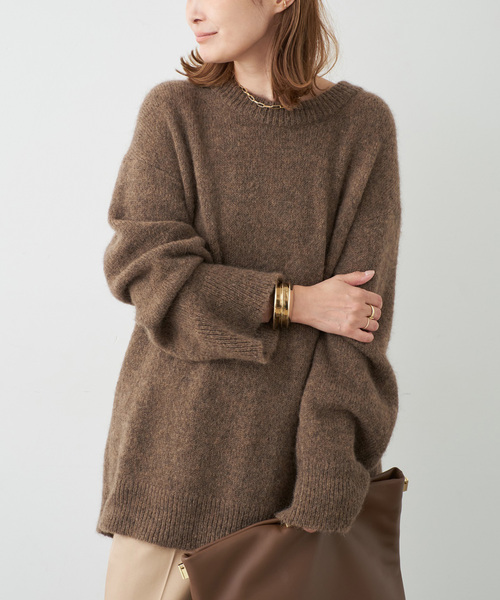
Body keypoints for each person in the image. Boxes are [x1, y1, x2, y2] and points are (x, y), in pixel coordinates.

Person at [98, 0, 403, 598]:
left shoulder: (362, 126)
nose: (193, 11)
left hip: (291, 485)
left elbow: (360, 323)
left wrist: (326, 478)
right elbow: (149, 271)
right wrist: (293, 302)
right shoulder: (174, 112)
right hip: (171, 471)